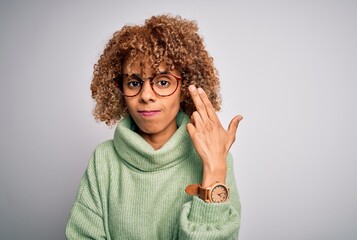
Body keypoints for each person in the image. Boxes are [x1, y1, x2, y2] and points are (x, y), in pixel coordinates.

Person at [66, 14, 243, 240]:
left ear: (185, 87)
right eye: (134, 83)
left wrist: (214, 170)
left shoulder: (217, 158)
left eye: (162, 82)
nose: (146, 95)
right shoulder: (103, 160)